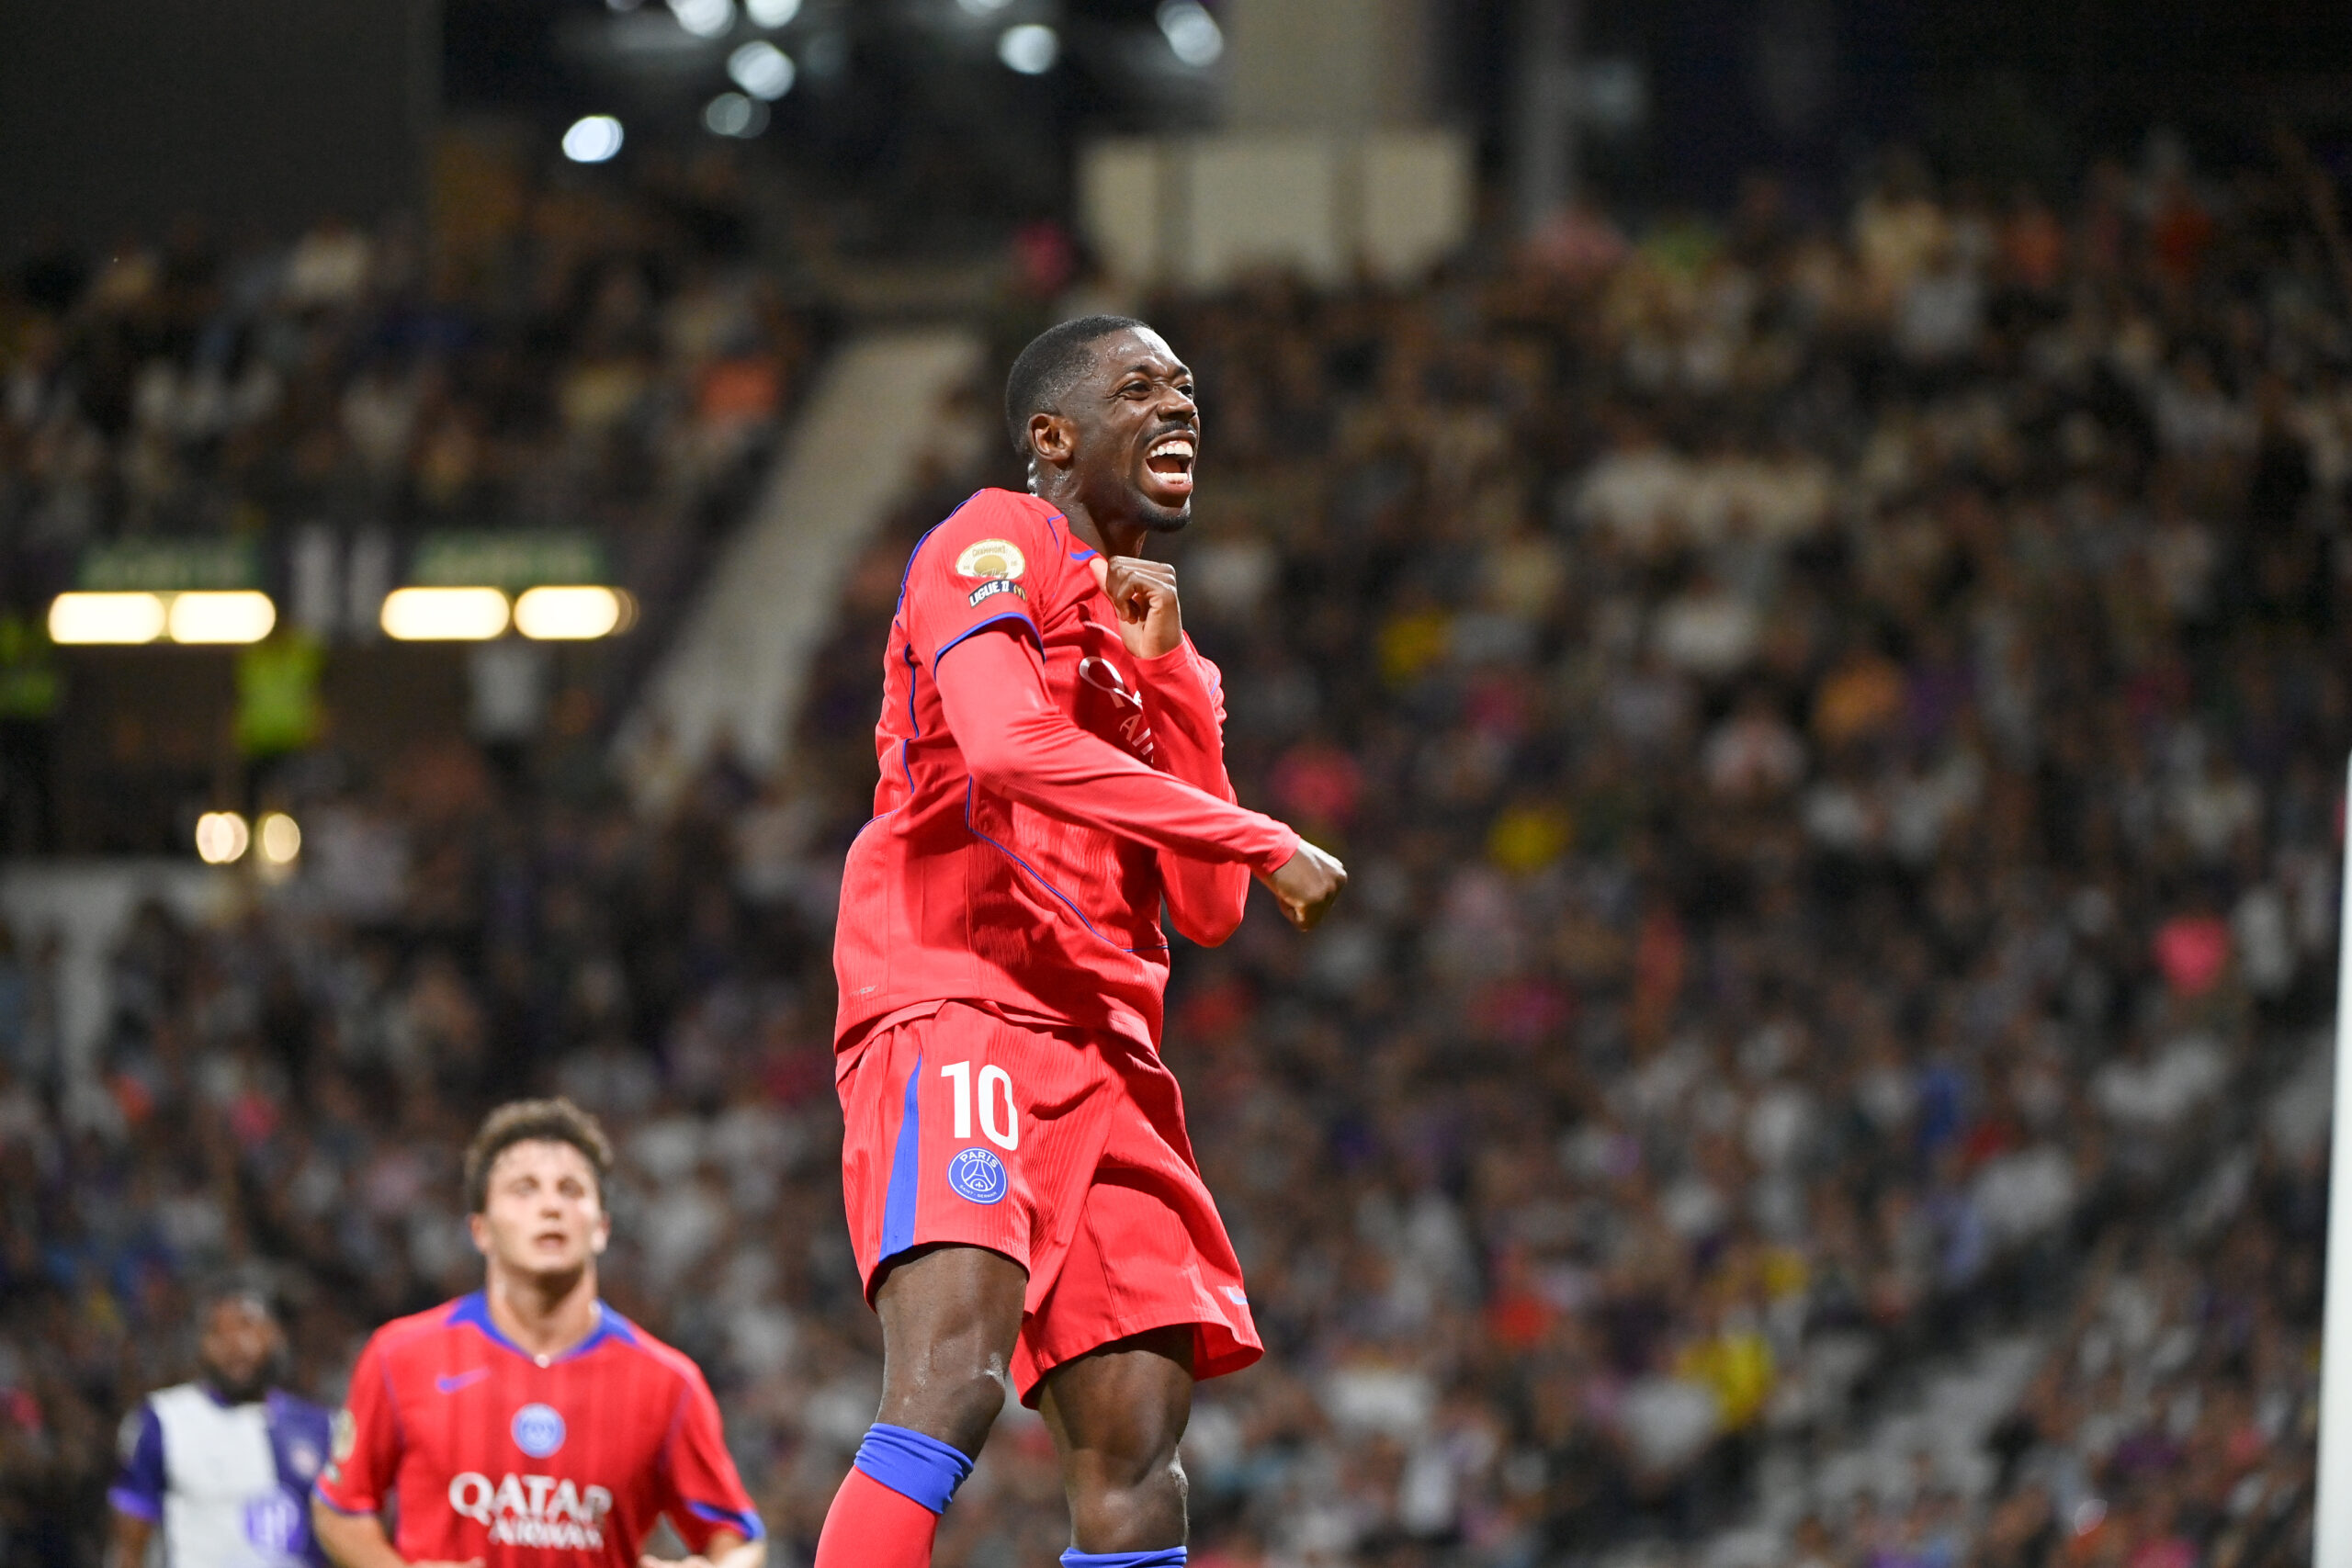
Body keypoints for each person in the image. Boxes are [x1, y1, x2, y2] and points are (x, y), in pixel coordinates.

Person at [817, 315, 1348, 1568]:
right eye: (1140, 387)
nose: (1181, 404)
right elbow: (1003, 745)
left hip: (1110, 1055)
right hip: (963, 991)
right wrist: (1262, 832)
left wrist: (1168, 676)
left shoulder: (1164, 644)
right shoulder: (996, 535)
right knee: (952, 1378)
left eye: (1187, 385)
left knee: (1137, 1450)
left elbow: (1206, 909)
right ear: (1054, 434)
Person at [309, 1099, 763, 1568]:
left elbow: (740, 1538)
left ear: (602, 1228)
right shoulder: (400, 1356)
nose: (550, 1206)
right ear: (480, 1230)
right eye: (524, 1189)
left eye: (570, 1189)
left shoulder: (668, 1383)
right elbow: (339, 1509)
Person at [109, 1282, 334, 1568]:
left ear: (275, 1334)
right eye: (217, 1333)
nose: (234, 1345)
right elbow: (129, 1542)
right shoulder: (164, 1421)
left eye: (246, 1326)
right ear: (199, 1345)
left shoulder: (321, 1426)